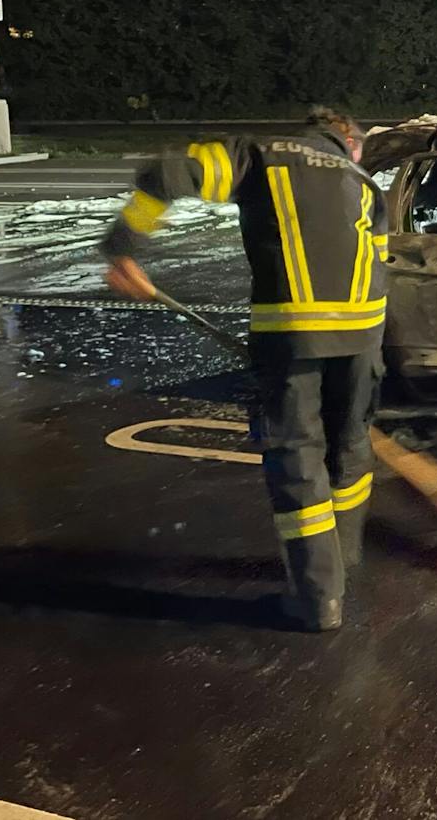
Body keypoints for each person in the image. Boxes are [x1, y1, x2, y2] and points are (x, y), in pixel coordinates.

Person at [101, 108, 388, 632]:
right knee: (350, 446)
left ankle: (320, 597)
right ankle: (343, 561)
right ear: (348, 141)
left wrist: (124, 246)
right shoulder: (364, 182)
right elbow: (380, 264)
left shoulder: (258, 155)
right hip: (364, 333)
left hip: (293, 332)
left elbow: (167, 174)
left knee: (298, 453)